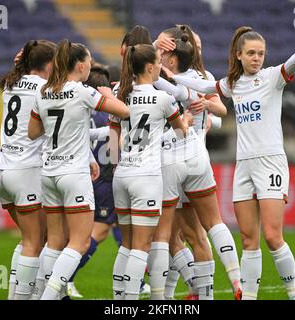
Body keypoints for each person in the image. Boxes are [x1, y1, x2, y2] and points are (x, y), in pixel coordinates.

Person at [166, 11, 295, 300]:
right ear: (239, 55)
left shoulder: (272, 78)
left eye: (261, 53)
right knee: (249, 240)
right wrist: (169, 76)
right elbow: (204, 87)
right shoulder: (232, 83)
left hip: (270, 162)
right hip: (244, 165)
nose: (257, 58)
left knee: (273, 237)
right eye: (251, 53)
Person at [28, 39, 129, 300]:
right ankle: (48, 297)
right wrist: (107, 94)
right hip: (73, 174)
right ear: (82, 65)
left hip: (49, 173)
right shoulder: (83, 92)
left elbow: (32, 132)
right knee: (80, 242)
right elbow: (124, 111)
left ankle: (45, 293)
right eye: (89, 60)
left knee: (55, 241)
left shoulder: (44, 92)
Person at [152, 26, 241, 300]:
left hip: (169, 158)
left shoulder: (161, 78)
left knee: (169, 235)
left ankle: (163, 295)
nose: (197, 48)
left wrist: (155, 46)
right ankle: (224, 287)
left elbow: (221, 111)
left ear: (172, 53)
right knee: (203, 230)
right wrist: (206, 109)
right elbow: (219, 114)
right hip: (198, 158)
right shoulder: (201, 80)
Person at [109, 44, 191, 300]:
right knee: (143, 246)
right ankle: (131, 302)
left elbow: (114, 134)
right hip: (146, 177)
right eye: (158, 62)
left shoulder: (119, 92)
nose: (160, 67)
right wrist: (187, 121)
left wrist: (115, 164)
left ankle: (119, 298)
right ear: (149, 67)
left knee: (127, 243)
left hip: (122, 174)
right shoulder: (163, 98)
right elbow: (180, 132)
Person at [0, 39, 56, 300]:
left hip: (1, 171)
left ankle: (19, 295)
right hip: (25, 171)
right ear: (49, 64)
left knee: (31, 239)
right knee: (35, 241)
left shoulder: (11, 83)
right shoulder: (45, 88)